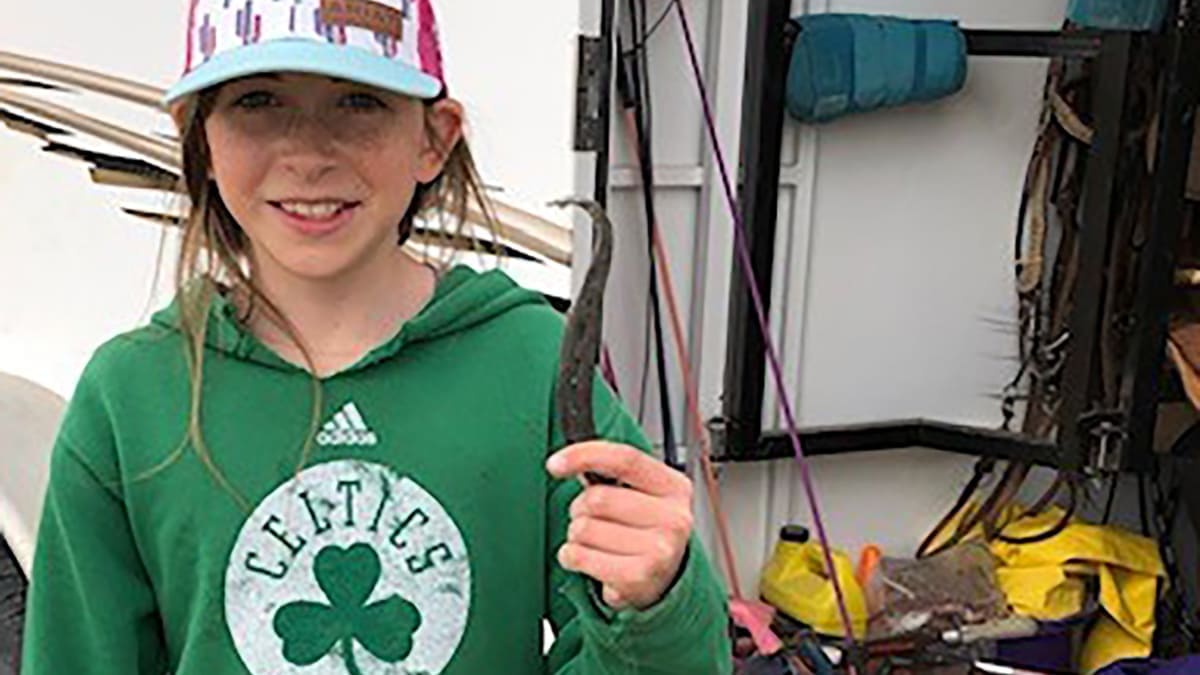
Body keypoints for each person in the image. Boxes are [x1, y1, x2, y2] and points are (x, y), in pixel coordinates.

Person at [19, 0, 732, 673]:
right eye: (257, 102)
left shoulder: (529, 362)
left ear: (433, 138)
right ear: (199, 137)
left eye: (358, 102)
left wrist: (659, 603)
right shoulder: (129, 397)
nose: (307, 154)